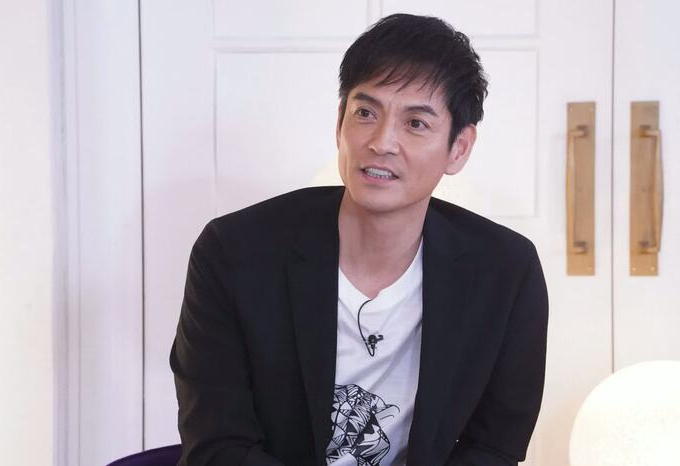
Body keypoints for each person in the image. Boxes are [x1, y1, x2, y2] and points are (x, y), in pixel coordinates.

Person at [170, 13, 548, 466]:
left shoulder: (505, 271)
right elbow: (217, 446)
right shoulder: (233, 253)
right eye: (365, 113)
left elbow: (493, 448)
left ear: (459, 148)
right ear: (339, 123)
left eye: (416, 123)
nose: (382, 142)